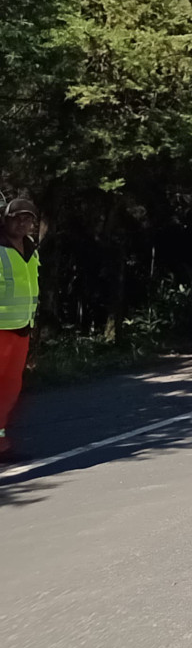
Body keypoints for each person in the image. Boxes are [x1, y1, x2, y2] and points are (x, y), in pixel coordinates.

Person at [0, 196, 41, 461]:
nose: (23, 223)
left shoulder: (31, 249)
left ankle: (0, 441)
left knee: (10, 387)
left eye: (28, 219)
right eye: (18, 218)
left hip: (22, 329)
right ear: (6, 219)